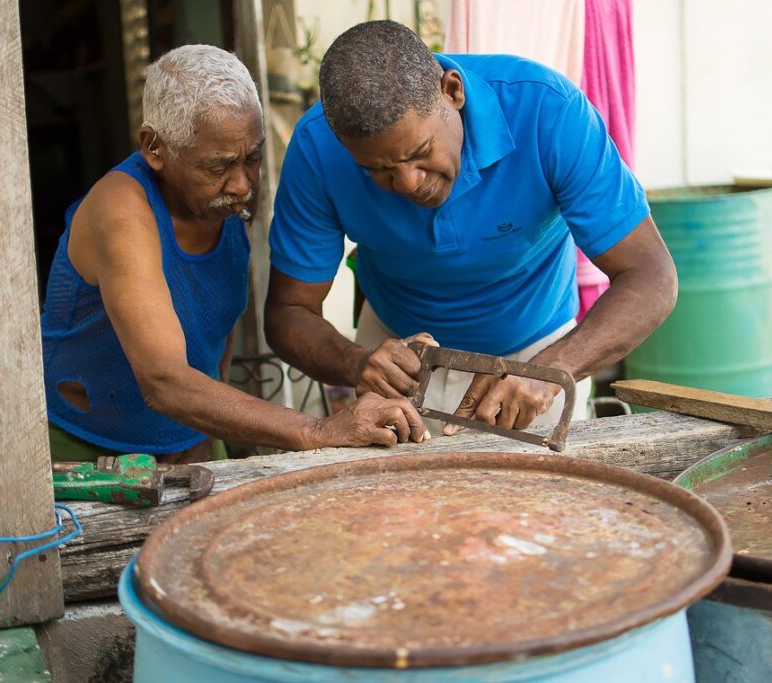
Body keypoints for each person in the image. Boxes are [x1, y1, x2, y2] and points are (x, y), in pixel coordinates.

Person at [264, 21, 677, 435]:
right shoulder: (318, 146)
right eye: (378, 170)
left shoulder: (548, 111)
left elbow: (651, 275)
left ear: (453, 91)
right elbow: (289, 311)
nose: (408, 183)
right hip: (397, 359)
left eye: (421, 153)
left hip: (538, 352)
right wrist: (355, 362)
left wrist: (550, 370)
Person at [41, 44, 426, 463]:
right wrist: (317, 430)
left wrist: (203, 439)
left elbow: (213, 331)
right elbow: (164, 381)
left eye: (254, 158)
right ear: (154, 147)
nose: (242, 184)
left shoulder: (229, 204)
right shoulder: (121, 209)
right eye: (218, 166)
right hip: (83, 451)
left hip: (189, 439)